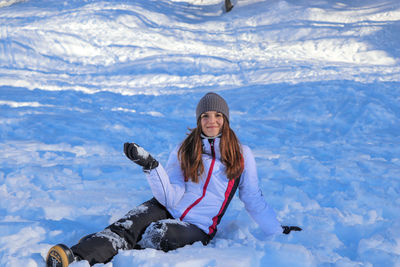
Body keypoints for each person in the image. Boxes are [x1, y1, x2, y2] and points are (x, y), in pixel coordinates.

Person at [46, 92, 301, 267]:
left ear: (226, 120)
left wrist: (276, 231)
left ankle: (104, 247)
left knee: (158, 234)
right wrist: (151, 167)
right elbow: (170, 195)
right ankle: (75, 255)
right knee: (128, 224)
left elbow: (253, 198)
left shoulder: (241, 155)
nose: (211, 121)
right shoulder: (184, 149)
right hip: (167, 206)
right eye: (205, 116)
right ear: (198, 120)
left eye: (217, 116)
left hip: (198, 227)